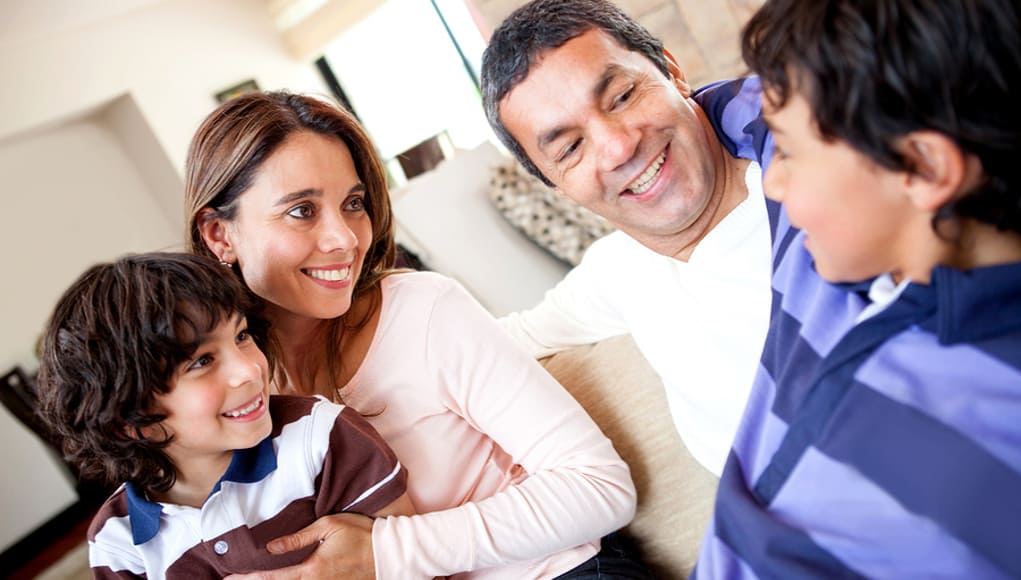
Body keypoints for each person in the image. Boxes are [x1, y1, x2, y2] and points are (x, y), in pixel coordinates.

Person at [183, 91, 645, 579]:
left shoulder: (423, 312)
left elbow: (600, 485)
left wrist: (385, 552)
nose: (343, 239)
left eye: (353, 203)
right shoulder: (234, 395)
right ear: (219, 235)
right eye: (302, 210)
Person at [693, 0, 1021, 576]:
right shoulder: (869, 251)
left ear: (921, 167)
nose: (770, 182)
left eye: (788, 153)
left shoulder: (992, 429)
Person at [481, 0, 773, 479]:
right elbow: (491, 346)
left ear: (672, 71)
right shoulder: (617, 270)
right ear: (555, 184)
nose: (618, 147)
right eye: (571, 147)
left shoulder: (814, 185)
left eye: (621, 97)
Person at [35, 253, 413, 578]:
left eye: (242, 336)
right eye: (202, 361)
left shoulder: (321, 437)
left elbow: (417, 562)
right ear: (134, 423)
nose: (249, 370)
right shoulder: (117, 542)